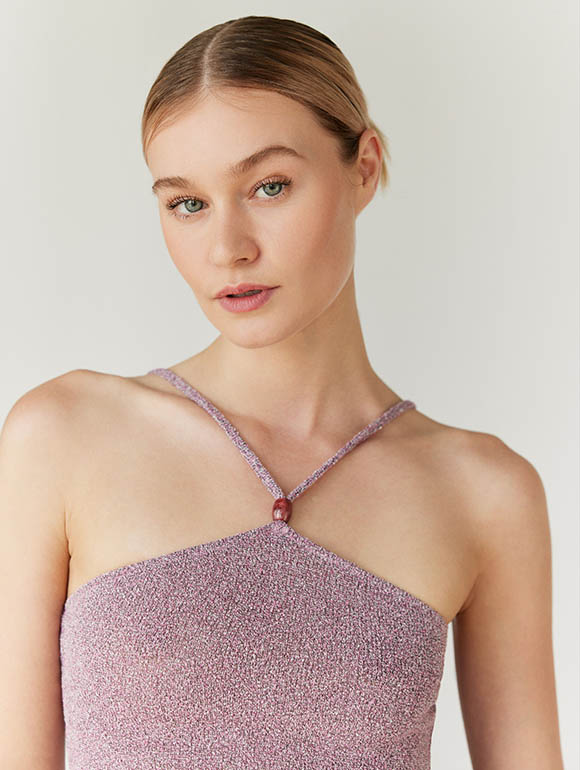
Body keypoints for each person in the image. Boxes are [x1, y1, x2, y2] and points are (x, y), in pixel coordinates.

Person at [0, 14, 564, 770]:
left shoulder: (484, 493)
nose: (227, 248)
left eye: (269, 187)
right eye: (187, 203)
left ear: (364, 168)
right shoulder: (62, 438)